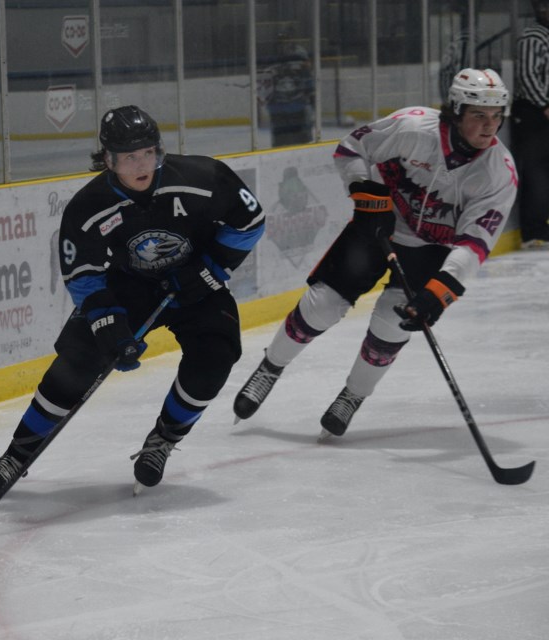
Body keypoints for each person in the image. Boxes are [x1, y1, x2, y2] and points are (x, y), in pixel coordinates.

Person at [0, 105, 265, 494]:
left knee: (216, 355)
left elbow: (249, 221)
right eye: (129, 156)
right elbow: (83, 275)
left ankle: (162, 441)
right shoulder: (88, 206)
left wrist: (209, 268)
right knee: (78, 363)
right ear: (108, 159)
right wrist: (109, 324)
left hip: (193, 283)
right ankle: (17, 455)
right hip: (127, 288)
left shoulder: (203, 176)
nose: (141, 163)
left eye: (148, 152)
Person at [233, 68, 517, 438]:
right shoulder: (413, 128)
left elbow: (475, 243)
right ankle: (270, 367)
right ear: (457, 111)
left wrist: (442, 289)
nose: (489, 126)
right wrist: (362, 189)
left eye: (497, 116)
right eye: (479, 115)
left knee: (391, 322)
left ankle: (353, 394)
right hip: (377, 227)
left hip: (431, 249)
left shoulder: (498, 172)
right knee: (322, 305)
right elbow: (351, 148)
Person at [512, 0, 549, 248]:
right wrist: (545, 105)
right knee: (537, 173)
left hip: (542, 112)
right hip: (534, 115)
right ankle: (533, 231)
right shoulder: (532, 37)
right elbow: (527, 75)